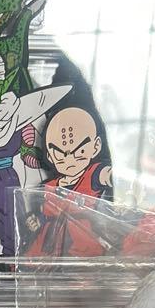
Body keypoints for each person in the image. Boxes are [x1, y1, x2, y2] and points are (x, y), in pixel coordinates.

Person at [0, 48, 71, 255]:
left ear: (4, 84)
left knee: (10, 221)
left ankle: (11, 258)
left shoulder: (17, 115)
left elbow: (28, 152)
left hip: (6, 176)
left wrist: (39, 158)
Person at [25, 105, 112, 256]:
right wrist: (34, 221)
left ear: (96, 146)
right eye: (59, 154)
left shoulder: (93, 174)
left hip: (83, 247)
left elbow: (107, 175)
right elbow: (40, 216)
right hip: (47, 248)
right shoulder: (47, 187)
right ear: (50, 156)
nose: (69, 159)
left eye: (80, 151)